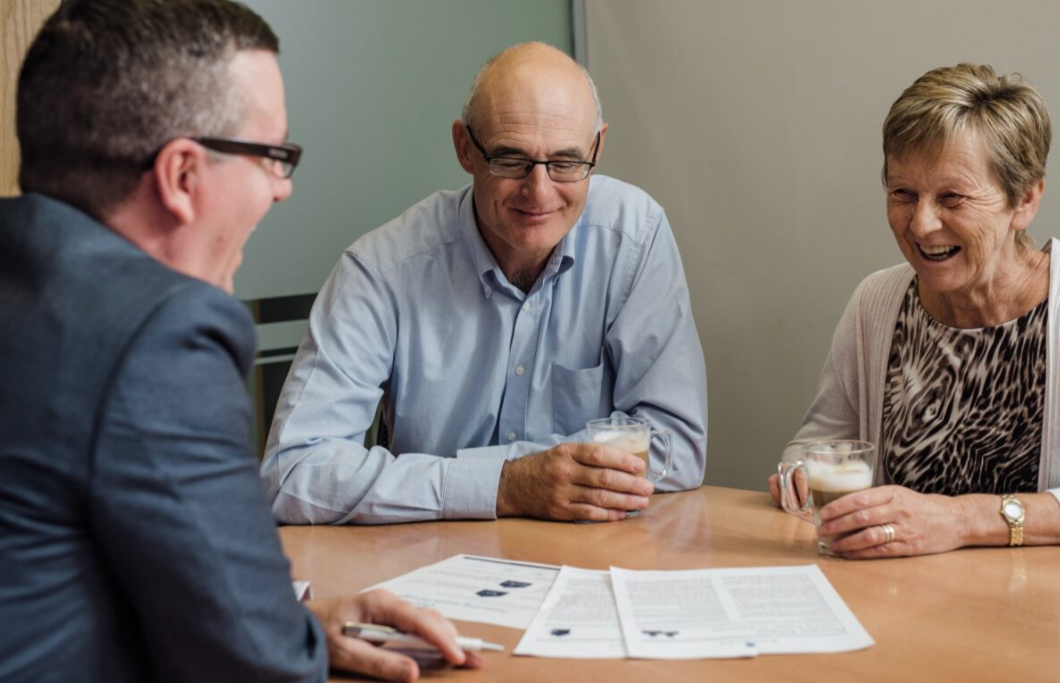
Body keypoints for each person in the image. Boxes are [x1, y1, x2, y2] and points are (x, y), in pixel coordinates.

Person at [0, 1, 479, 681]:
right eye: (274, 155)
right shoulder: (158, 339)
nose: (282, 189)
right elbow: (258, 667)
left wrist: (297, 625)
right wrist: (285, 643)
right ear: (182, 176)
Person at [262, 42, 708, 525]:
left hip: (592, 560)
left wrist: (513, 478)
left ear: (597, 147)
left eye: (566, 162)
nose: (539, 192)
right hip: (427, 566)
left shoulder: (634, 239)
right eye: (510, 160)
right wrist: (506, 484)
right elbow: (293, 470)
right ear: (464, 149)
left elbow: (674, 445)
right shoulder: (381, 270)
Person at [768, 63, 1060, 558]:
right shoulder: (877, 302)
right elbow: (819, 444)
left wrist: (961, 520)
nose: (922, 224)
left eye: (952, 198)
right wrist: (797, 475)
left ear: (1025, 199)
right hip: (903, 604)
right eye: (903, 193)